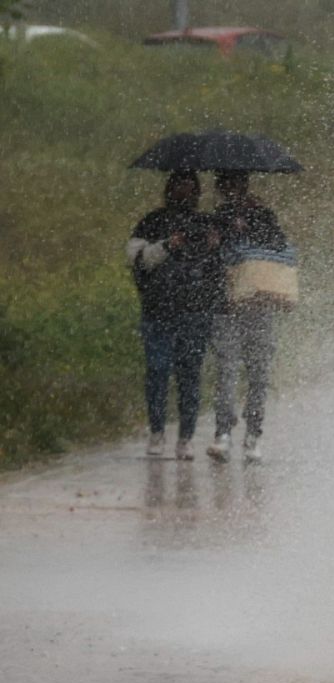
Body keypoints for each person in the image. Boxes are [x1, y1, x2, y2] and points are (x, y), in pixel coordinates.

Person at [126, 171, 220, 460]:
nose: (186, 194)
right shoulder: (152, 222)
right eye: (180, 188)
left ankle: (186, 438)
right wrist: (169, 244)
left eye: (191, 189)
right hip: (158, 311)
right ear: (170, 190)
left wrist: (216, 245)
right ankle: (157, 432)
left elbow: (218, 269)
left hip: (195, 311)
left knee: (190, 375)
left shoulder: (206, 224)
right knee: (157, 371)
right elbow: (136, 260)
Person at [207, 170, 289, 463]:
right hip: (226, 306)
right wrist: (215, 242)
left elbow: (279, 250)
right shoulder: (215, 219)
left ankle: (253, 434)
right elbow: (210, 263)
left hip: (259, 305)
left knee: (258, 373)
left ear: (244, 185)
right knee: (226, 370)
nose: (230, 189)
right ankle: (223, 432)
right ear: (219, 187)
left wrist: (251, 230)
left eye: (235, 183)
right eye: (225, 184)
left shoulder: (263, 215)